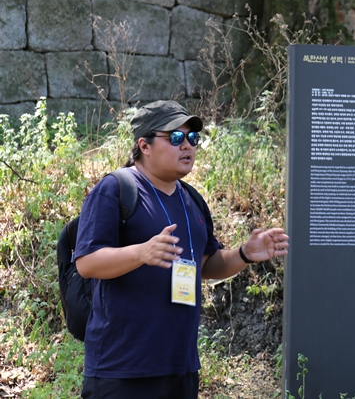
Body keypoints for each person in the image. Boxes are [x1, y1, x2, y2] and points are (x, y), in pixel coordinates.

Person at [74, 100, 289, 398]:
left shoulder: (193, 200)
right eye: (175, 137)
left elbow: (206, 265)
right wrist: (141, 253)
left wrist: (244, 254)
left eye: (193, 138)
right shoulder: (116, 189)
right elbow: (87, 263)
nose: (187, 145)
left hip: (180, 366)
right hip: (122, 368)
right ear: (144, 145)